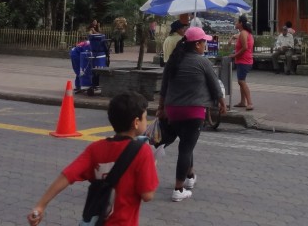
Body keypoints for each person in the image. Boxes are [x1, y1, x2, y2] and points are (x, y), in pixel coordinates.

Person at [27, 91, 157, 226]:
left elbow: (67, 175)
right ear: (136, 122)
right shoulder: (143, 152)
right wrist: (151, 166)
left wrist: (40, 205)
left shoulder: (95, 149)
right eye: (145, 118)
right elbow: (147, 195)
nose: (146, 122)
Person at [157, 27, 227, 202]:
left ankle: (190, 177)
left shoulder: (173, 61)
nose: (206, 45)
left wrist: (160, 108)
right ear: (197, 44)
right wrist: (222, 104)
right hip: (193, 111)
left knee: (187, 143)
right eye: (204, 42)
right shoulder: (202, 62)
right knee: (186, 148)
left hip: (172, 110)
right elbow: (215, 86)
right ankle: (178, 189)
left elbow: (164, 87)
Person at [232, 14, 254, 110]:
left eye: (237, 22)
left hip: (244, 60)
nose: (235, 23)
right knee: (241, 81)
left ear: (241, 23)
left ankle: (250, 103)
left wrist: (234, 55)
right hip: (244, 60)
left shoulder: (244, 33)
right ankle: (242, 101)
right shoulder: (244, 33)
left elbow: (245, 47)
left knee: (242, 81)